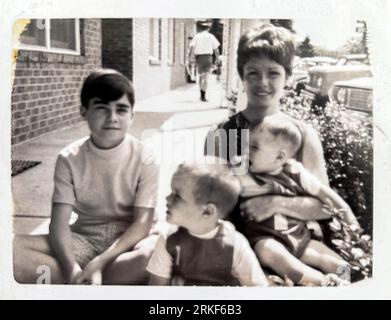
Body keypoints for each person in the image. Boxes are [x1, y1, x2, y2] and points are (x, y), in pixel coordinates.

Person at [13, 69, 159, 285]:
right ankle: (92, 281)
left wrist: (99, 262)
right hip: (84, 238)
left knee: (150, 256)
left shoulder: (145, 156)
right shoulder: (69, 158)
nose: (112, 118)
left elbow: (142, 223)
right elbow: (59, 224)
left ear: (132, 115)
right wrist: (71, 268)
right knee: (10, 249)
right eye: (101, 108)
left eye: (121, 110)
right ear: (84, 111)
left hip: (130, 240)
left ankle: (89, 280)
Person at [205, 23, 332, 235]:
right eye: (253, 73)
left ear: (288, 77)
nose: (262, 82)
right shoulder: (222, 133)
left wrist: (275, 203)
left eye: (273, 73)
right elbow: (211, 203)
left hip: (294, 245)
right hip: (235, 245)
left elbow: (326, 206)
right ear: (242, 77)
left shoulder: (302, 135)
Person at [238, 114, 358, 285]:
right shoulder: (244, 171)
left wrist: (352, 225)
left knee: (334, 261)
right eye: (245, 145)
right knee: (270, 253)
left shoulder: (295, 171)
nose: (245, 151)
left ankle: (352, 284)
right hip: (265, 237)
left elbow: (327, 195)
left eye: (254, 147)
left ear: (279, 157)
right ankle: (321, 282)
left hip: (299, 237)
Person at [147, 160, 268, 286]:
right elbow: (157, 293)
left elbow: (258, 291)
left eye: (177, 196)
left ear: (207, 212)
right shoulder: (168, 239)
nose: (167, 199)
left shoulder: (235, 245)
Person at [188, 20, 220, 102]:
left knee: (201, 77)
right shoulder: (211, 36)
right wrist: (217, 58)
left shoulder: (197, 36)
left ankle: (201, 95)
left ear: (200, 28)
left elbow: (191, 48)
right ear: (207, 28)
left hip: (199, 58)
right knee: (206, 78)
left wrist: (190, 58)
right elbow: (216, 49)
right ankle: (204, 96)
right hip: (208, 58)